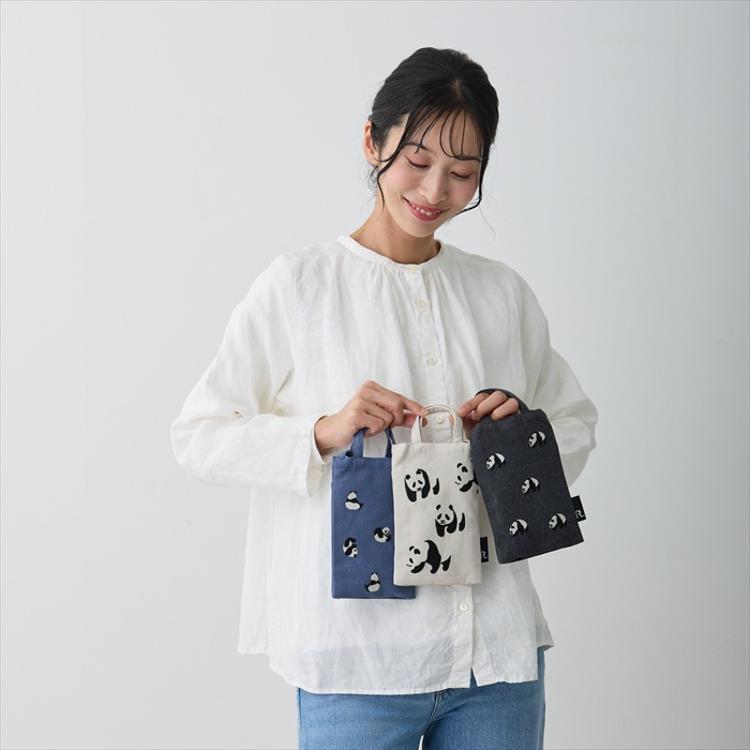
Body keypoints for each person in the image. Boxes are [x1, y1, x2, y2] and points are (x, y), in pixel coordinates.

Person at [170, 46, 598, 750]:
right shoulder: (300, 286)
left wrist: (521, 431)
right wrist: (321, 431)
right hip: (355, 662)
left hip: (495, 654)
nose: (435, 189)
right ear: (372, 141)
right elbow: (199, 434)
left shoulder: (502, 294)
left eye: (463, 172)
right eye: (416, 160)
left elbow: (575, 422)